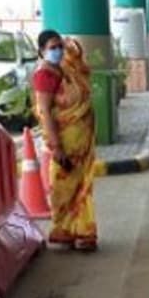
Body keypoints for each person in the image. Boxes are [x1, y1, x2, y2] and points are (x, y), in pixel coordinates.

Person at [33, 29, 98, 251]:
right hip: (65, 140)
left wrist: (71, 45)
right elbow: (45, 112)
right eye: (52, 47)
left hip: (81, 140)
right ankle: (67, 229)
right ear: (41, 51)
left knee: (82, 185)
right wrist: (57, 147)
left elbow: (81, 61)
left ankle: (82, 231)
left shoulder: (65, 69)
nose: (58, 50)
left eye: (60, 46)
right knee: (66, 185)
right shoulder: (45, 76)